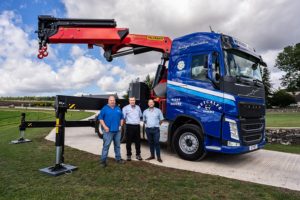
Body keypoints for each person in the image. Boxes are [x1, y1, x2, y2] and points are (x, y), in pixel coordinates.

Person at [98, 95, 125, 167]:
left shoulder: (118, 108)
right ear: (108, 101)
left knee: (117, 146)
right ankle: (103, 161)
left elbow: (122, 118)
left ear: (115, 101)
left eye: (113, 100)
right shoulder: (104, 108)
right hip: (108, 131)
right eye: (111, 100)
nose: (112, 101)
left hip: (117, 131)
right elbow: (100, 118)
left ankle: (118, 159)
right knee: (106, 146)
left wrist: (120, 126)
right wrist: (105, 127)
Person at [122, 97, 143, 161]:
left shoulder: (138, 108)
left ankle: (138, 155)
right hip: (129, 126)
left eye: (133, 100)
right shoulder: (125, 108)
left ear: (135, 101)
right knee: (129, 141)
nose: (132, 101)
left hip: (137, 126)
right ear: (129, 101)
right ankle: (128, 155)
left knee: (138, 141)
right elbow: (123, 118)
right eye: (131, 100)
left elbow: (140, 115)